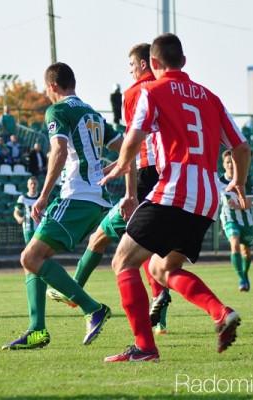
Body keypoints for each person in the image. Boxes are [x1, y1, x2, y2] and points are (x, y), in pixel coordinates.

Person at [100, 33, 250, 362]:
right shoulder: (211, 97)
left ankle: (144, 347)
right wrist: (237, 181)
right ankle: (220, 313)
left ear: (153, 64)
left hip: (175, 190)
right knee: (161, 268)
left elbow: (134, 137)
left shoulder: (151, 91)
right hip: (208, 196)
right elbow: (241, 147)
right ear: (183, 61)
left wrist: (122, 164)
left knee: (123, 261)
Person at [46, 43, 171, 334]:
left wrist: (129, 191)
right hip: (171, 177)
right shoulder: (169, 90)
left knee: (106, 243)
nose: (129, 70)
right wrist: (113, 167)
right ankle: (161, 313)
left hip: (144, 177)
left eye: (130, 65)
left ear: (143, 64)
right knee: (144, 247)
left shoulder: (136, 94)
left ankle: (76, 294)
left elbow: (132, 146)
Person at [2, 62, 118, 350]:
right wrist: (110, 170)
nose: (46, 93)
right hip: (93, 198)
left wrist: (42, 195)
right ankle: (37, 329)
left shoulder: (58, 110)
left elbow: (59, 150)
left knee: (30, 257)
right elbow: (127, 146)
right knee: (33, 259)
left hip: (77, 196)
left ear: (53, 86)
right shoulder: (92, 112)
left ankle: (93, 309)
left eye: (45, 88)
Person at [220, 150, 253, 292]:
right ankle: (241, 279)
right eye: (227, 162)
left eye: (232, 162)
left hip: (246, 220)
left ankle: (245, 275)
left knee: (246, 251)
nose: (230, 165)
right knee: (234, 243)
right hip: (229, 220)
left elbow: (249, 203)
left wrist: (238, 205)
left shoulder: (245, 179)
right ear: (223, 164)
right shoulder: (219, 181)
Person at [14, 177, 40, 243]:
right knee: (30, 249)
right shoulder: (23, 198)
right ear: (28, 185)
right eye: (31, 184)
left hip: (41, 228)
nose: (33, 185)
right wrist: (18, 218)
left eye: (35, 184)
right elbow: (16, 212)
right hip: (28, 228)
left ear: (37, 185)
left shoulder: (41, 197)